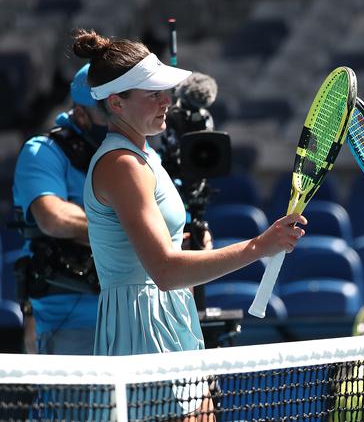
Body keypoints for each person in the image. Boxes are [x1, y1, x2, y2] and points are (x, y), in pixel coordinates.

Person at [71, 28, 305, 358]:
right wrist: (258, 247)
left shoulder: (146, 156)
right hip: (142, 332)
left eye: (162, 90)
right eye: (152, 93)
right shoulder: (122, 164)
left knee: (202, 410)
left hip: (169, 318)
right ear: (116, 104)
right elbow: (165, 271)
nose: (166, 99)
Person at [12, 63, 108, 355]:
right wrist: (132, 230)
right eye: (108, 112)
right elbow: (55, 218)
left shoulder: (144, 152)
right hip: (68, 322)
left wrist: (90, 230)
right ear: (81, 114)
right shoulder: (42, 152)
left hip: (136, 316)